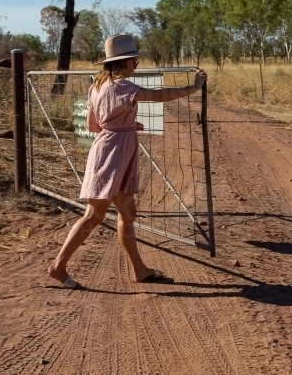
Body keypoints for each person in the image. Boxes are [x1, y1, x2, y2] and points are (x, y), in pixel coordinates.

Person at [47, 34, 207, 289]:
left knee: (126, 213)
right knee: (93, 215)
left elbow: (93, 125)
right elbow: (160, 96)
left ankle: (140, 269)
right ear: (124, 63)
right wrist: (193, 87)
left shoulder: (96, 86)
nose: (136, 66)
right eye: (135, 62)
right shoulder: (123, 87)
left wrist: (126, 124)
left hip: (111, 149)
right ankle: (58, 266)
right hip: (113, 154)